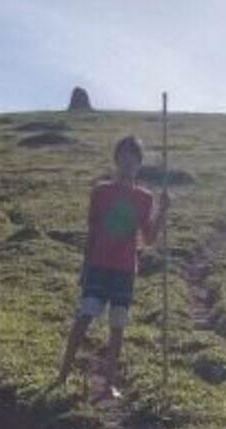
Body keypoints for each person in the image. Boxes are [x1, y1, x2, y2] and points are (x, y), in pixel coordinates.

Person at [54, 135, 168, 400]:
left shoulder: (145, 198)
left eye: (133, 157)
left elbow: (149, 238)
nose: (128, 161)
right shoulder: (101, 192)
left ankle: (109, 384)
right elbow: (92, 233)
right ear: (116, 159)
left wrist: (162, 213)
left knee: (117, 327)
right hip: (98, 266)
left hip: (125, 270)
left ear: (139, 163)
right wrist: (85, 269)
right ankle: (62, 375)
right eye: (124, 155)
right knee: (84, 318)